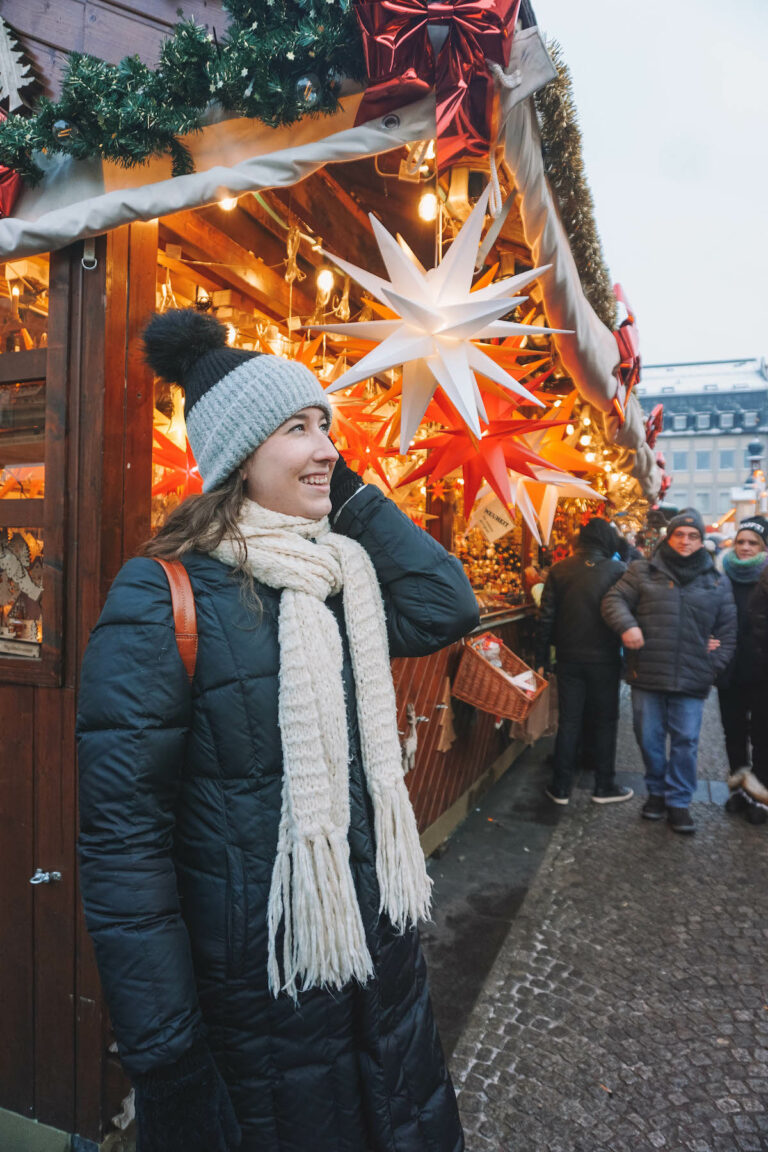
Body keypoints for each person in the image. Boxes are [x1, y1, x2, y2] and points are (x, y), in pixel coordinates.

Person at [76, 310, 479, 1152]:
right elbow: (124, 842)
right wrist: (166, 1053)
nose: (326, 444)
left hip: (377, 974)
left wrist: (341, 483)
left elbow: (448, 604)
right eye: (296, 427)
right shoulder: (161, 598)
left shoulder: (339, 579)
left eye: (325, 423)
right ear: (238, 455)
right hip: (257, 1001)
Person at [602, 508, 736, 834]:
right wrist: (627, 626)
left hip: (692, 677)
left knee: (686, 741)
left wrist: (710, 666)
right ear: (668, 537)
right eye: (680, 535)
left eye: (693, 536)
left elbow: (729, 631)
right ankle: (657, 793)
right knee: (648, 739)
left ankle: (679, 802)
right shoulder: (642, 571)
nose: (686, 541)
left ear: (702, 542)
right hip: (647, 671)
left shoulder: (716, 582)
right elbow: (613, 600)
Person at [535, 517, 632, 805]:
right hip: (605, 659)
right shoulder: (618, 570)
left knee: (569, 720)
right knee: (605, 721)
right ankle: (604, 785)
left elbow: (546, 617)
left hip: (568, 658)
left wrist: (541, 658)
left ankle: (560, 787)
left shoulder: (560, 569)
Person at [718, 517, 768, 823]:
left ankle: (760, 796)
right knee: (733, 733)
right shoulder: (722, 577)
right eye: (741, 542)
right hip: (730, 671)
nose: (745, 547)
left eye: (753, 543)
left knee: (763, 736)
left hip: (763, 671)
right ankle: (738, 789)